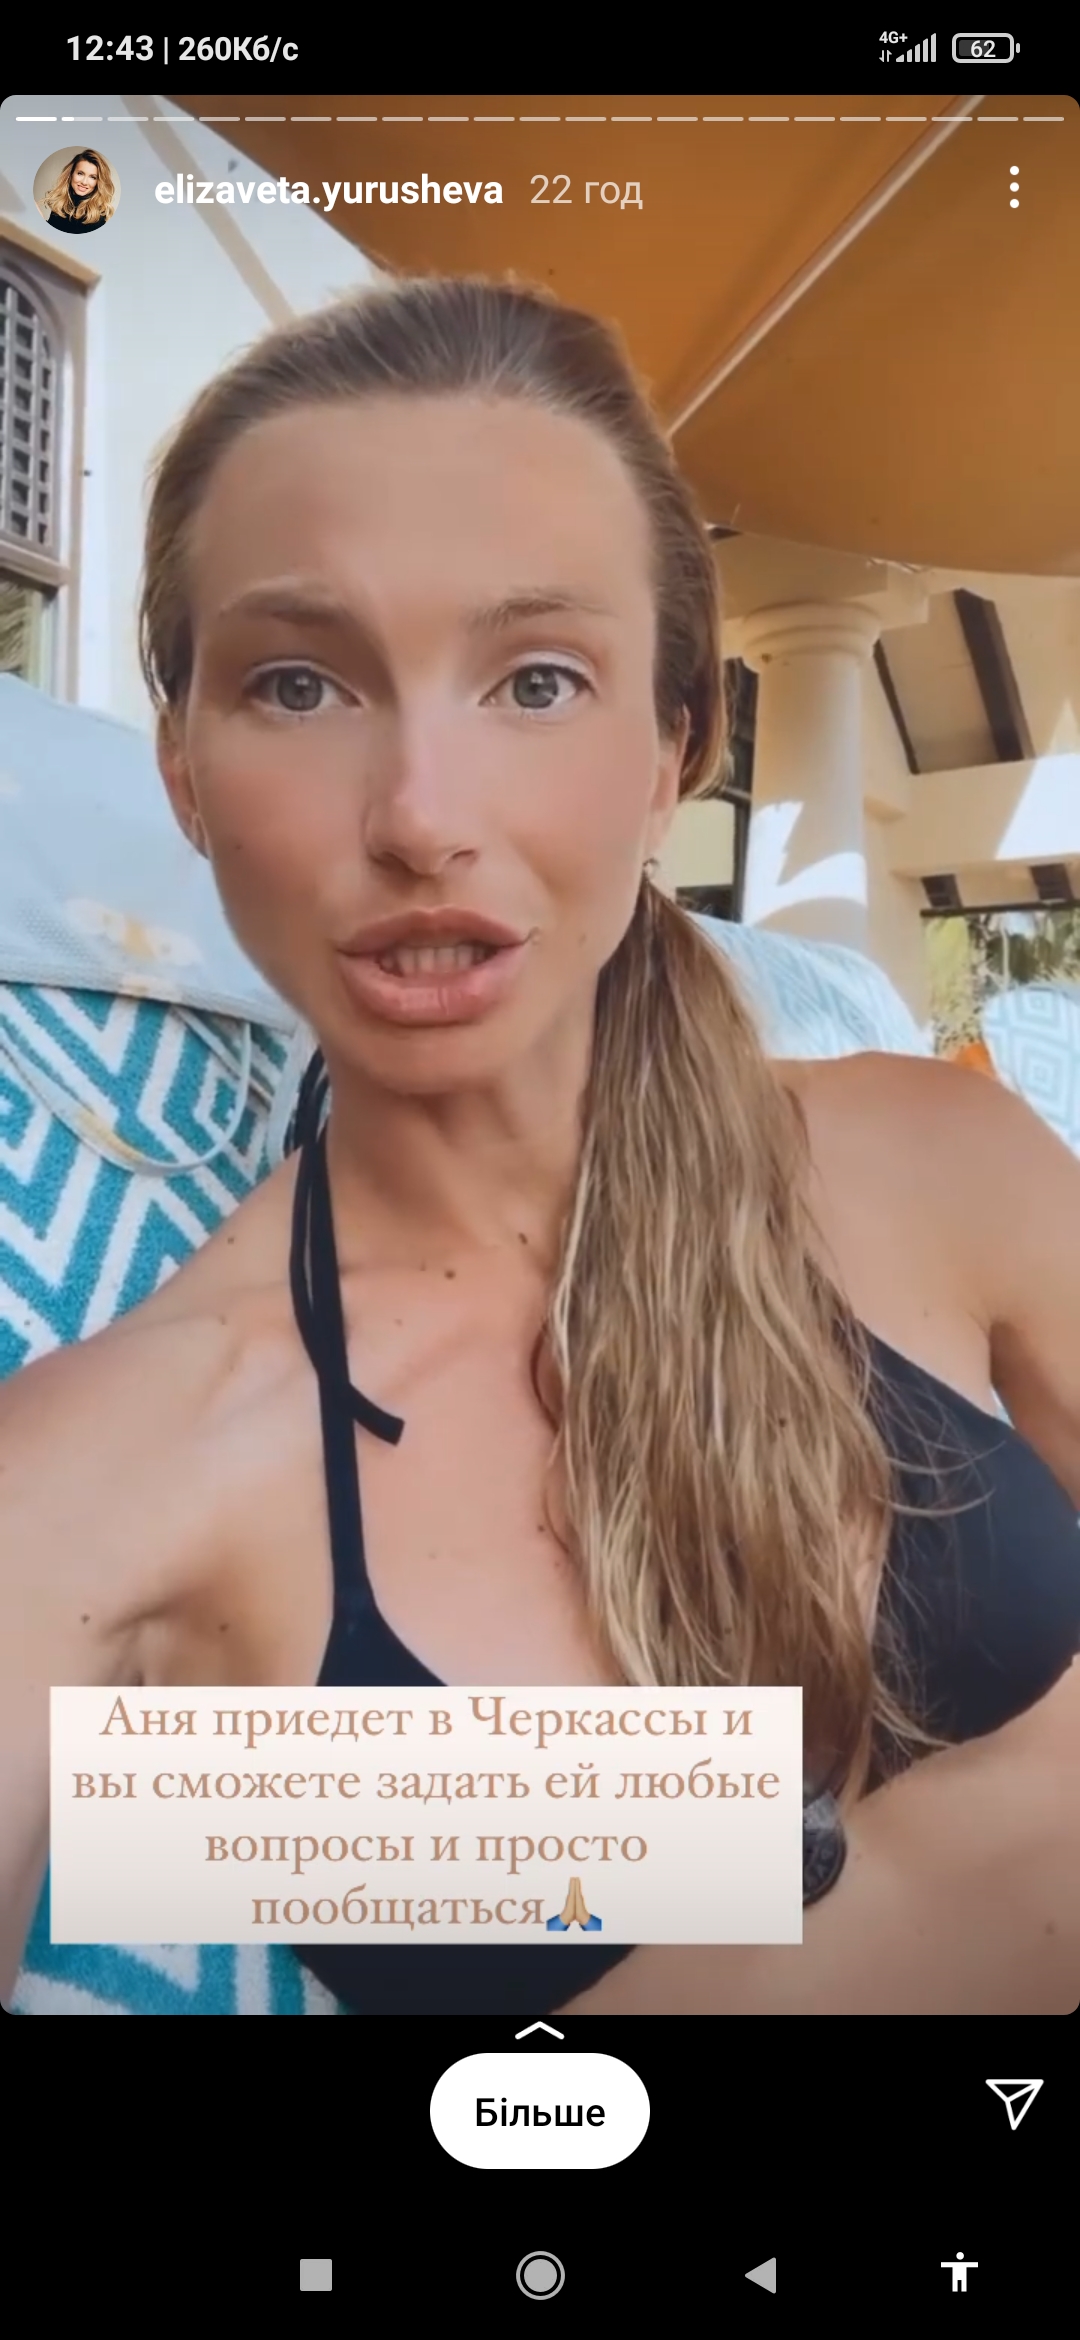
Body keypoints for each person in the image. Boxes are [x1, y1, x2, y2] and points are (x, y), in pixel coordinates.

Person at [2, 275, 1079, 2017]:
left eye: (539, 680)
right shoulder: (112, 1466)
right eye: (299, 683)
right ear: (183, 772)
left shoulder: (945, 1167)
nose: (423, 818)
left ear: (673, 753)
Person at [38, 150, 116, 236]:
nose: (84, 182)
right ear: (71, 174)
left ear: (98, 182)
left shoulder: (97, 215)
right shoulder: (60, 202)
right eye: (80, 173)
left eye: (93, 177)